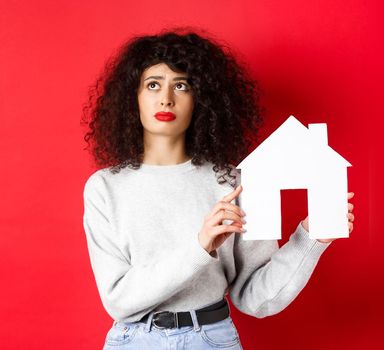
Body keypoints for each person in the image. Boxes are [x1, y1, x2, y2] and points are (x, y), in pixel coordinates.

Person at [81, 29, 355, 349]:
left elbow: (255, 299)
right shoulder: (105, 188)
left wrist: (309, 239)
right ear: (133, 97)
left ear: (201, 99)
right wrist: (200, 246)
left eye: (181, 85)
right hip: (134, 341)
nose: (166, 97)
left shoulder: (231, 181)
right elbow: (119, 301)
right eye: (153, 84)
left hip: (211, 339)